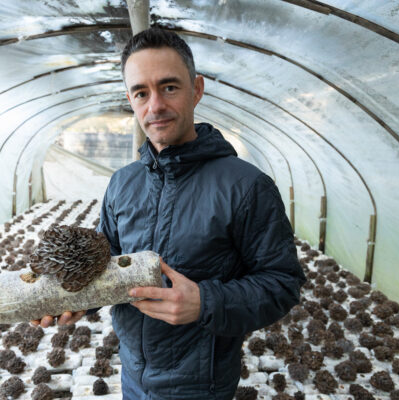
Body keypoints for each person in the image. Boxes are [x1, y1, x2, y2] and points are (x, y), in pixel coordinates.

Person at [32, 28, 306, 399]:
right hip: (132, 377)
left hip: (201, 386)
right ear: (130, 99)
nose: (155, 105)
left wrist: (205, 302)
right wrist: (71, 296)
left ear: (197, 89)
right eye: (141, 92)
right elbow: (107, 267)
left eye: (170, 87)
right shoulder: (122, 183)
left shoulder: (246, 186)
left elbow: (281, 283)